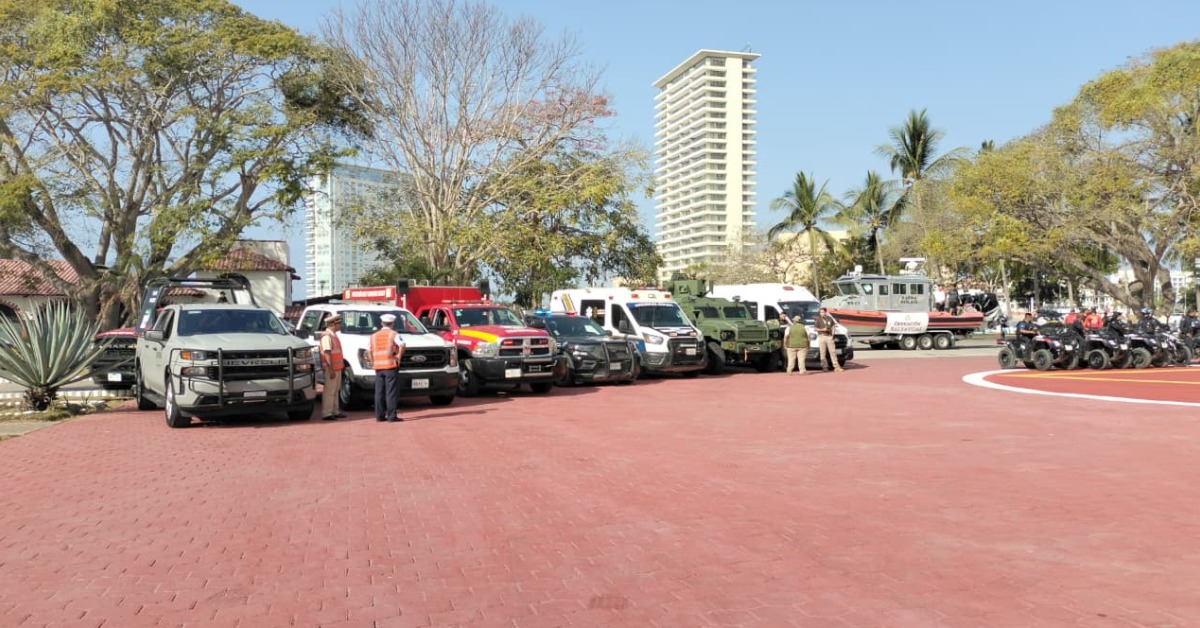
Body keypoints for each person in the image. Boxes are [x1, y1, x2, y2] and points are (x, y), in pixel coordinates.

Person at [371, 313, 406, 423]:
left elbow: (369, 351)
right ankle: (391, 416)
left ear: (381, 323)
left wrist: (373, 362)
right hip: (390, 366)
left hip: (378, 366)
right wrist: (399, 357)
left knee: (379, 392)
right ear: (392, 323)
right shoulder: (393, 334)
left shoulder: (374, 335)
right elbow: (403, 345)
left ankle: (379, 416)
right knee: (391, 392)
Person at [319, 314, 346, 421]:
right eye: (338, 323)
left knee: (335, 390)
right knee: (329, 391)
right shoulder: (327, 337)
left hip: (337, 368)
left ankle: (335, 411)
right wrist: (330, 369)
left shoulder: (333, 336)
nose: (340, 325)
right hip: (332, 369)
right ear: (332, 324)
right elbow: (327, 353)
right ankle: (327, 412)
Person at [814, 307, 842, 372]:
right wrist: (822, 329)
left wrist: (832, 335)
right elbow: (815, 329)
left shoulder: (829, 319)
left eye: (822, 312)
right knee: (822, 352)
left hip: (829, 336)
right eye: (820, 312)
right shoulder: (818, 320)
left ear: (825, 312)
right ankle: (824, 367)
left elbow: (833, 326)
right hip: (822, 336)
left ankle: (836, 366)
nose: (821, 313)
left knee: (833, 352)